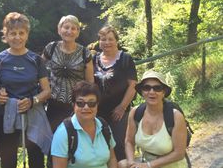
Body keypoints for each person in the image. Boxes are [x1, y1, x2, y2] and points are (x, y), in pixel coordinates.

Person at [0, 12, 52, 168]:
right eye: (13, 33)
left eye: (21, 33)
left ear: (27, 35)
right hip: (5, 114)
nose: (17, 37)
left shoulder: (36, 59)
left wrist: (33, 101)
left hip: (32, 113)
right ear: (6, 35)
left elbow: (47, 91)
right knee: (8, 162)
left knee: (36, 160)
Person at [121, 70, 188, 168]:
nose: (152, 92)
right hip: (145, 164)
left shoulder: (175, 116)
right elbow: (129, 141)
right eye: (147, 88)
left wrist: (148, 165)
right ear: (142, 92)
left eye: (157, 88)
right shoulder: (136, 113)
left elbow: (179, 153)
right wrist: (131, 163)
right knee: (122, 164)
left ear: (163, 92)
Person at [93, 25, 137, 162]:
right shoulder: (94, 60)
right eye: (103, 39)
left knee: (119, 146)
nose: (107, 42)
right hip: (98, 113)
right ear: (99, 42)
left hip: (119, 113)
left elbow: (133, 85)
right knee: (101, 148)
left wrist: (122, 107)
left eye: (110, 39)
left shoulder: (125, 59)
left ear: (117, 41)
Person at [42, 15, 94, 132]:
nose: (69, 31)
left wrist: (88, 105)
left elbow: (90, 83)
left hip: (76, 105)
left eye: (73, 28)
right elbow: (39, 70)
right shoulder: (51, 48)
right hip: (53, 103)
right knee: (54, 141)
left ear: (78, 32)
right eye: (66, 27)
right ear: (59, 29)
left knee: (74, 141)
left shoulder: (84, 53)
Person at [51, 81, 118, 168]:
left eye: (91, 103)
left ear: (97, 105)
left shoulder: (104, 127)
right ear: (74, 105)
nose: (86, 107)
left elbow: (112, 158)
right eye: (80, 103)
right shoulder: (64, 132)